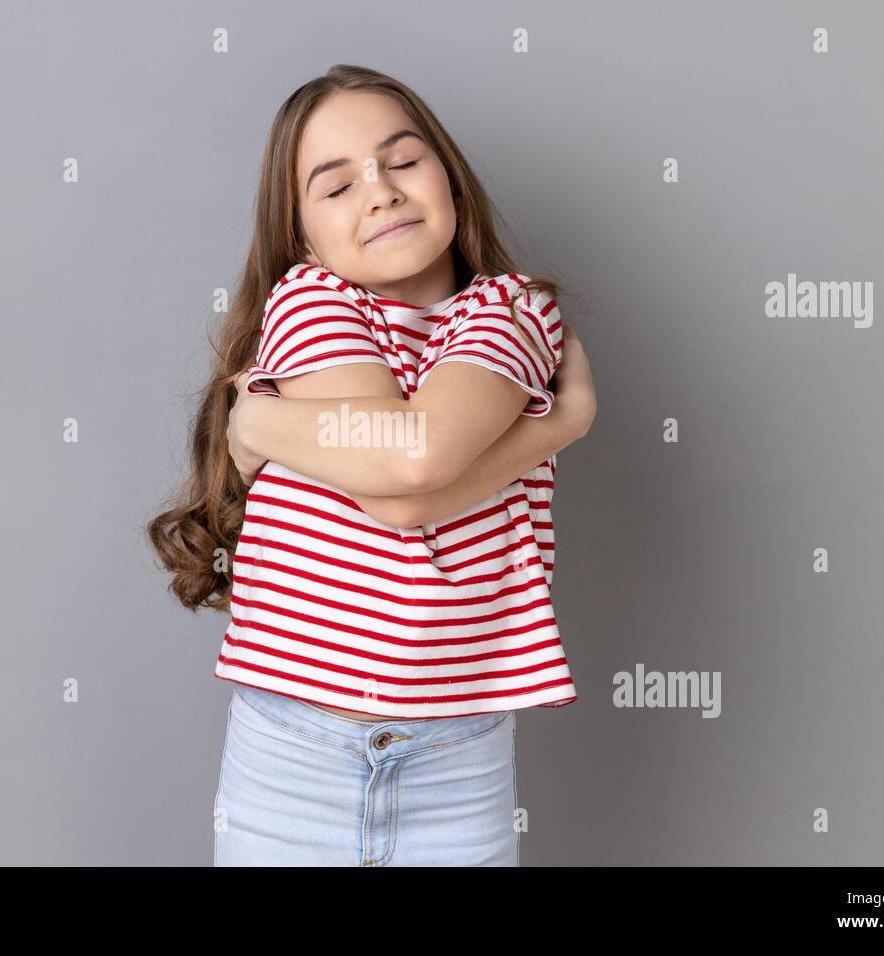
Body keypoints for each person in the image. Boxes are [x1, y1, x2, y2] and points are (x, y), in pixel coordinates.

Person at [149, 64, 597, 865]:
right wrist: (559, 422)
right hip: (292, 755)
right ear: (301, 236)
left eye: (403, 159)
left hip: (458, 760)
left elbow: (409, 467)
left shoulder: (515, 307)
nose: (380, 190)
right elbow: (403, 481)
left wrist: (264, 420)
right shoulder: (311, 301)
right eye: (336, 184)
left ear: (450, 180)